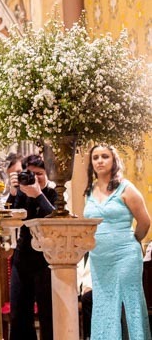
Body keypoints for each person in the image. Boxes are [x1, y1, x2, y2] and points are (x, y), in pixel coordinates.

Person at [82, 145, 151, 340]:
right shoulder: (89, 190)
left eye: (105, 156)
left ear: (114, 161)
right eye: (95, 157)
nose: (100, 161)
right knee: (103, 304)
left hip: (125, 255)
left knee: (128, 302)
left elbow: (145, 222)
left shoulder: (126, 188)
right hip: (99, 258)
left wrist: (129, 241)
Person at [8, 154, 56, 340]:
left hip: (48, 260)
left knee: (48, 313)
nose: (35, 178)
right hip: (23, 258)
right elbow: (10, 219)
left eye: (39, 174)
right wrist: (13, 194)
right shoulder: (21, 193)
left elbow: (55, 219)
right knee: (18, 314)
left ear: (47, 173)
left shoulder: (54, 192)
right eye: (30, 173)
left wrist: (38, 195)